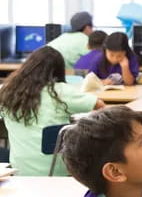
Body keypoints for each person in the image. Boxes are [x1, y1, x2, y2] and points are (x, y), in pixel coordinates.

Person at [0, 46, 104, 176]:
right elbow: (100, 105)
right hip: (57, 170)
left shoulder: (7, 91)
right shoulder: (60, 91)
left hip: (19, 170)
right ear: (59, 70)